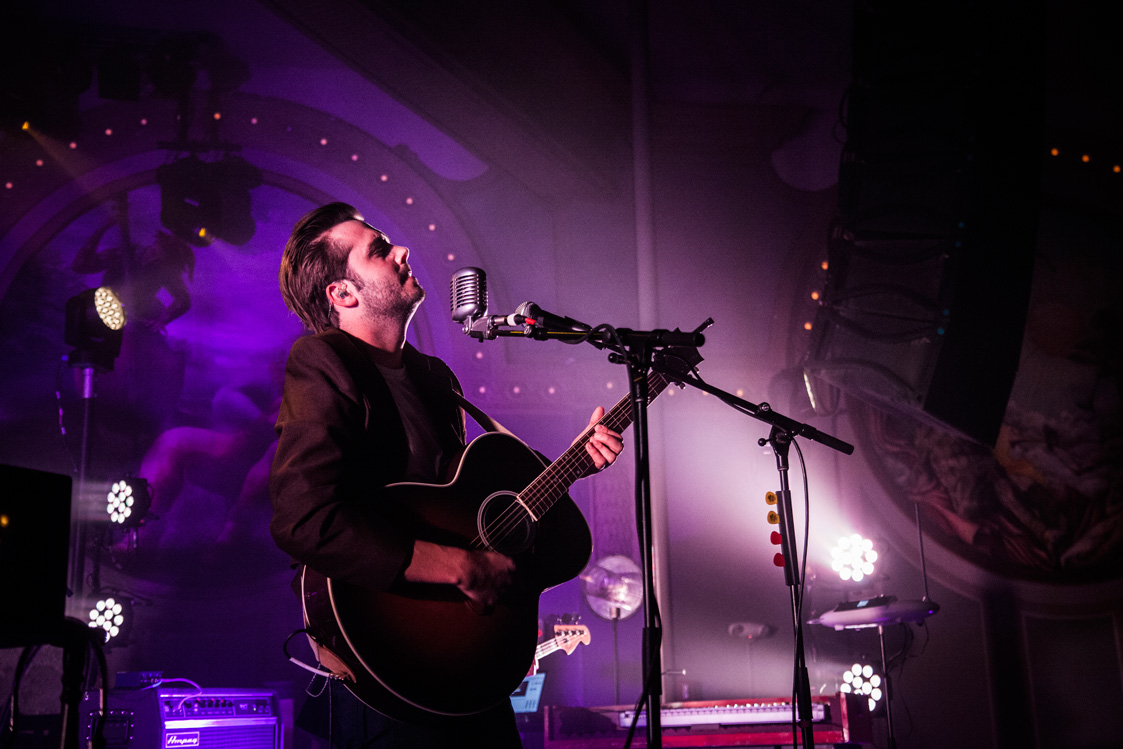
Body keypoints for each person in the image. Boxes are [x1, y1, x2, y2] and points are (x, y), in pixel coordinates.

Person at [268, 202, 623, 748]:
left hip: (466, 661)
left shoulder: (434, 377)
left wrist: (571, 463)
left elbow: (463, 508)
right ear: (343, 294)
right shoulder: (322, 362)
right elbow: (304, 519)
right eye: (379, 250)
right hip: (387, 662)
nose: (402, 252)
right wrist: (457, 564)